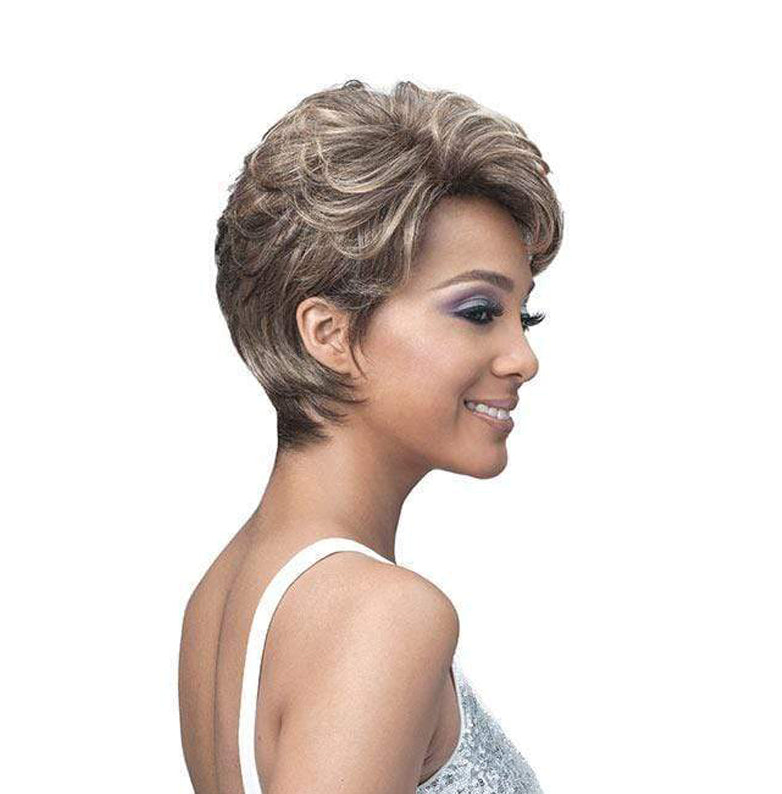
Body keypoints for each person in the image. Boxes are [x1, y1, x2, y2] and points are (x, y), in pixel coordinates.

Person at [178, 78, 564, 794]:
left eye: (526, 318)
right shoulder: (383, 615)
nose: (523, 358)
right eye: (479, 312)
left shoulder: (223, 594)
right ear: (330, 333)